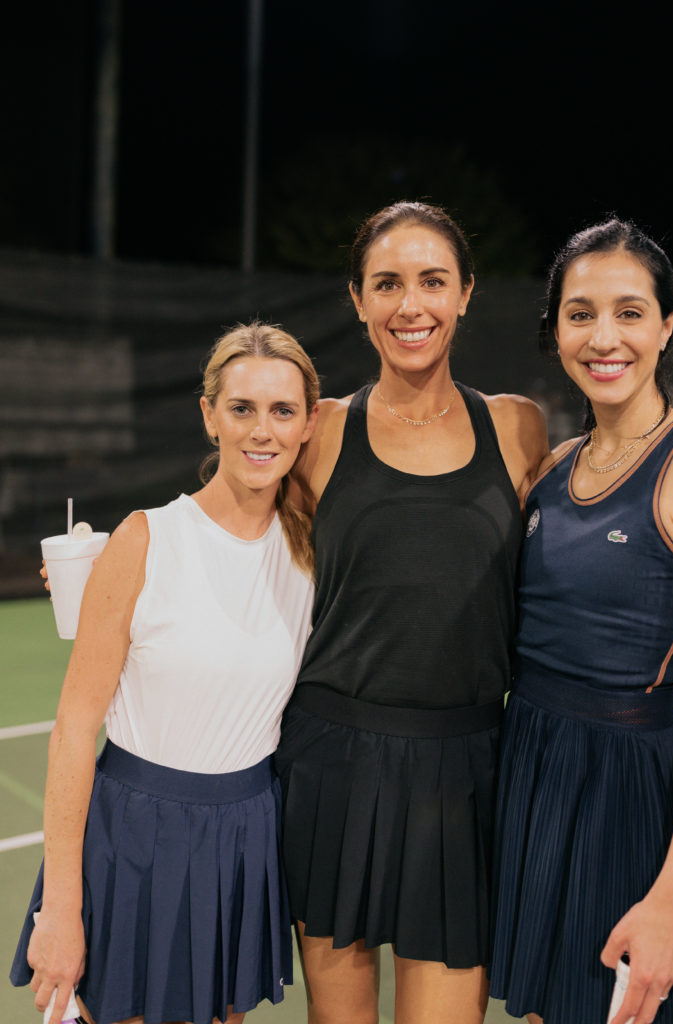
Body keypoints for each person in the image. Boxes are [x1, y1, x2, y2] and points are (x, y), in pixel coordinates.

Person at [274, 201, 548, 1024]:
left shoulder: (517, 427)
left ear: (465, 293)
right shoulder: (316, 433)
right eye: (386, 284)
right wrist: (118, 561)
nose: (410, 305)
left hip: (465, 771)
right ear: (357, 300)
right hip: (331, 767)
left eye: (432, 281)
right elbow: (227, 528)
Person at [488, 219, 673, 1023]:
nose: (603, 337)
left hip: (626, 799)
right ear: (555, 332)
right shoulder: (553, 468)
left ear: (666, 326)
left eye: (629, 312)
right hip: (531, 775)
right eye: (579, 314)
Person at [10, 323, 319, 1024]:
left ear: (309, 423)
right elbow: (73, 730)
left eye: (282, 410)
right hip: (133, 839)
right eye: (241, 408)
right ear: (209, 415)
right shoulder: (145, 537)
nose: (261, 430)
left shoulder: (313, 548)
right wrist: (61, 908)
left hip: (244, 837)